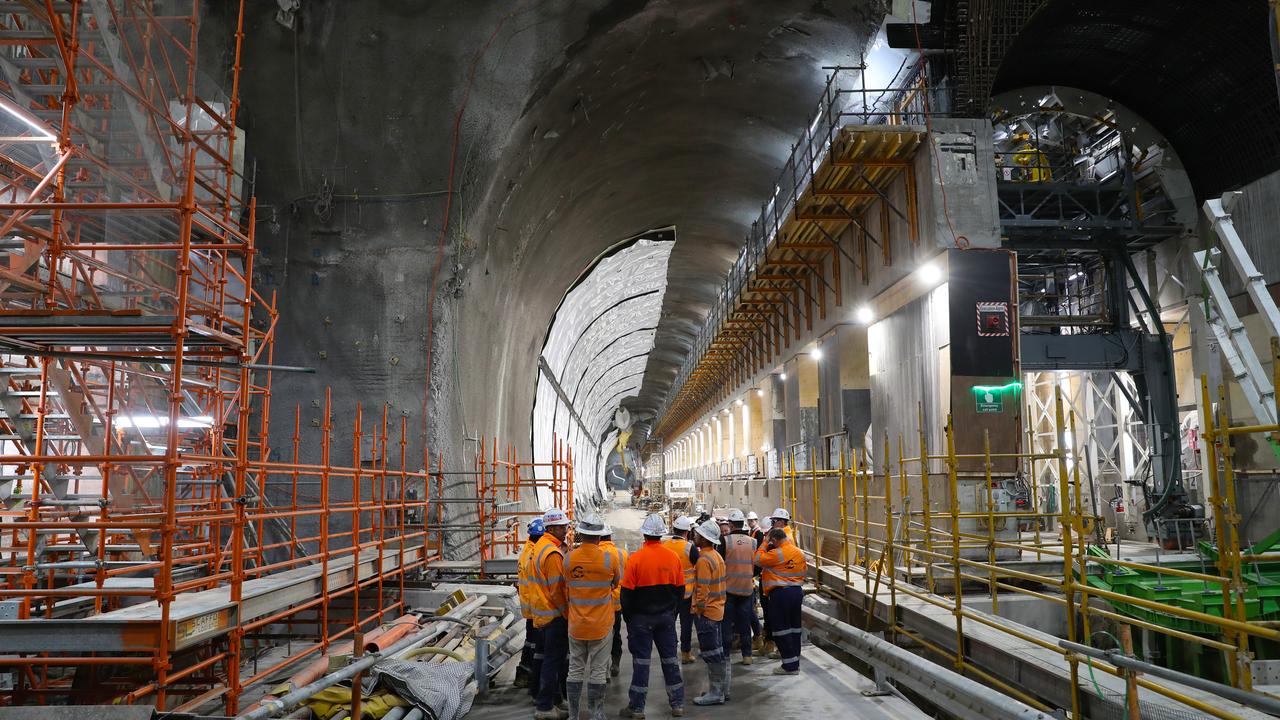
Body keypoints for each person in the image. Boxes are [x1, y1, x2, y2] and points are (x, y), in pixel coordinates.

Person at [620, 513, 687, 718]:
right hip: (666, 617)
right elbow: (680, 590)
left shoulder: (636, 559)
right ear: (661, 535)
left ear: (645, 536)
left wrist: (629, 618)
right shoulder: (673, 557)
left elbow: (627, 594)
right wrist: (672, 612)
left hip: (641, 618)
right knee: (670, 660)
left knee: (641, 663)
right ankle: (677, 705)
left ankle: (637, 708)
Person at [565, 514, 622, 720]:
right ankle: (596, 713)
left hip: (576, 624)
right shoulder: (610, 558)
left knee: (575, 669)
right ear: (599, 537)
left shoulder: (569, 558)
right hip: (601, 625)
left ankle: (573, 715)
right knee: (598, 670)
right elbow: (615, 583)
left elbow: (566, 584)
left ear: (580, 534)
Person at [530, 507, 572, 719]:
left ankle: (555, 700)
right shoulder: (552, 554)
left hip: (542, 612)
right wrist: (566, 613)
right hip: (554, 614)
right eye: (563, 527)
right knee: (553, 661)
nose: (566, 530)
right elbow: (557, 590)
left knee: (550, 659)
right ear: (553, 528)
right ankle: (545, 707)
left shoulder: (540, 547)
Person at [755, 527, 806, 676]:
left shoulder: (776, 553)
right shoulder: (799, 552)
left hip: (781, 594)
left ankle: (789, 666)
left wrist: (764, 543)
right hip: (797, 592)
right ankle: (794, 661)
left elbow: (757, 559)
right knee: (794, 628)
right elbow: (803, 571)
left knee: (781, 629)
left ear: (775, 540)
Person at [690, 519, 729, 706]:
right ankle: (722, 690)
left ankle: (716, 693)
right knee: (718, 652)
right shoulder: (717, 556)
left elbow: (703, 590)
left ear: (704, 539)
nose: (695, 536)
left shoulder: (704, 560)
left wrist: (698, 610)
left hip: (708, 613)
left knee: (711, 653)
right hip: (718, 610)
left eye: (697, 534)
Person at [721, 509, 757, 666]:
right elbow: (758, 565)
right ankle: (747, 656)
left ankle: (726, 655)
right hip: (747, 589)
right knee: (745, 623)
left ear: (730, 524)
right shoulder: (753, 542)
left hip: (729, 589)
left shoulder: (725, 541)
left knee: (726, 624)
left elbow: (720, 563)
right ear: (743, 523)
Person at [661, 516, 698, 664]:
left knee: (669, 623)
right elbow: (699, 565)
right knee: (686, 624)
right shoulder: (690, 548)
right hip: (686, 593)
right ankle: (686, 653)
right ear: (687, 532)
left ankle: (670, 650)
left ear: (674, 529)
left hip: (669, 593)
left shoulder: (665, 545)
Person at [516, 517, 546, 692]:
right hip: (535, 606)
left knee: (530, 642)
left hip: (528, 605)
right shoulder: (534, 555)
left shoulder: (527, 549)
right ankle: (530, 675)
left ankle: (524, 673)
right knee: (536, 643)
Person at [599, 530, 628, 679]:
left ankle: (603, 669)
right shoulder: (622, 553)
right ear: (610, 536)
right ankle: (615, 662)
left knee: (602, 637)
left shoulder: (596, 553)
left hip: (600, 604)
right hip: (618, 601)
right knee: (616, 634)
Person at [744, 511, 765, 652]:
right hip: (749, 578)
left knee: (750, 611)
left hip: (753, 579)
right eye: (749, 520)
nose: (751, 522)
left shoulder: (758, 534)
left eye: (752, 520)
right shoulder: (752, 534)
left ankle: (758, 637)